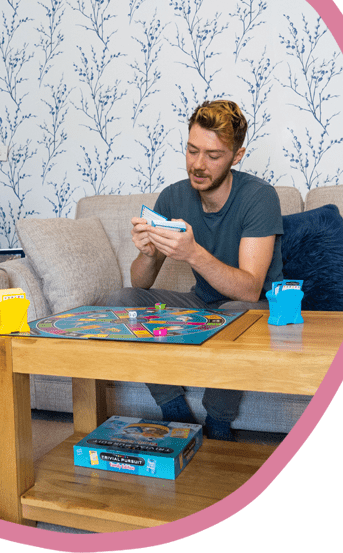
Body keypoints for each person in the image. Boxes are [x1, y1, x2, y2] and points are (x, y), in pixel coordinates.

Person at [100, 100, 284, 441]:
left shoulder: (259, 197)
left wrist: (194, 253)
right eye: (191, 150)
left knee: (238, 313)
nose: (198, 165)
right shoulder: (173, 197)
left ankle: (217, 421)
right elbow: (141, 282)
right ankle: (173, 408)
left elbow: (250, 290)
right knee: (120, 299)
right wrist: (147, 255)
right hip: (201, 303)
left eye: (213, 156)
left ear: (237, 156)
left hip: (252, 309)